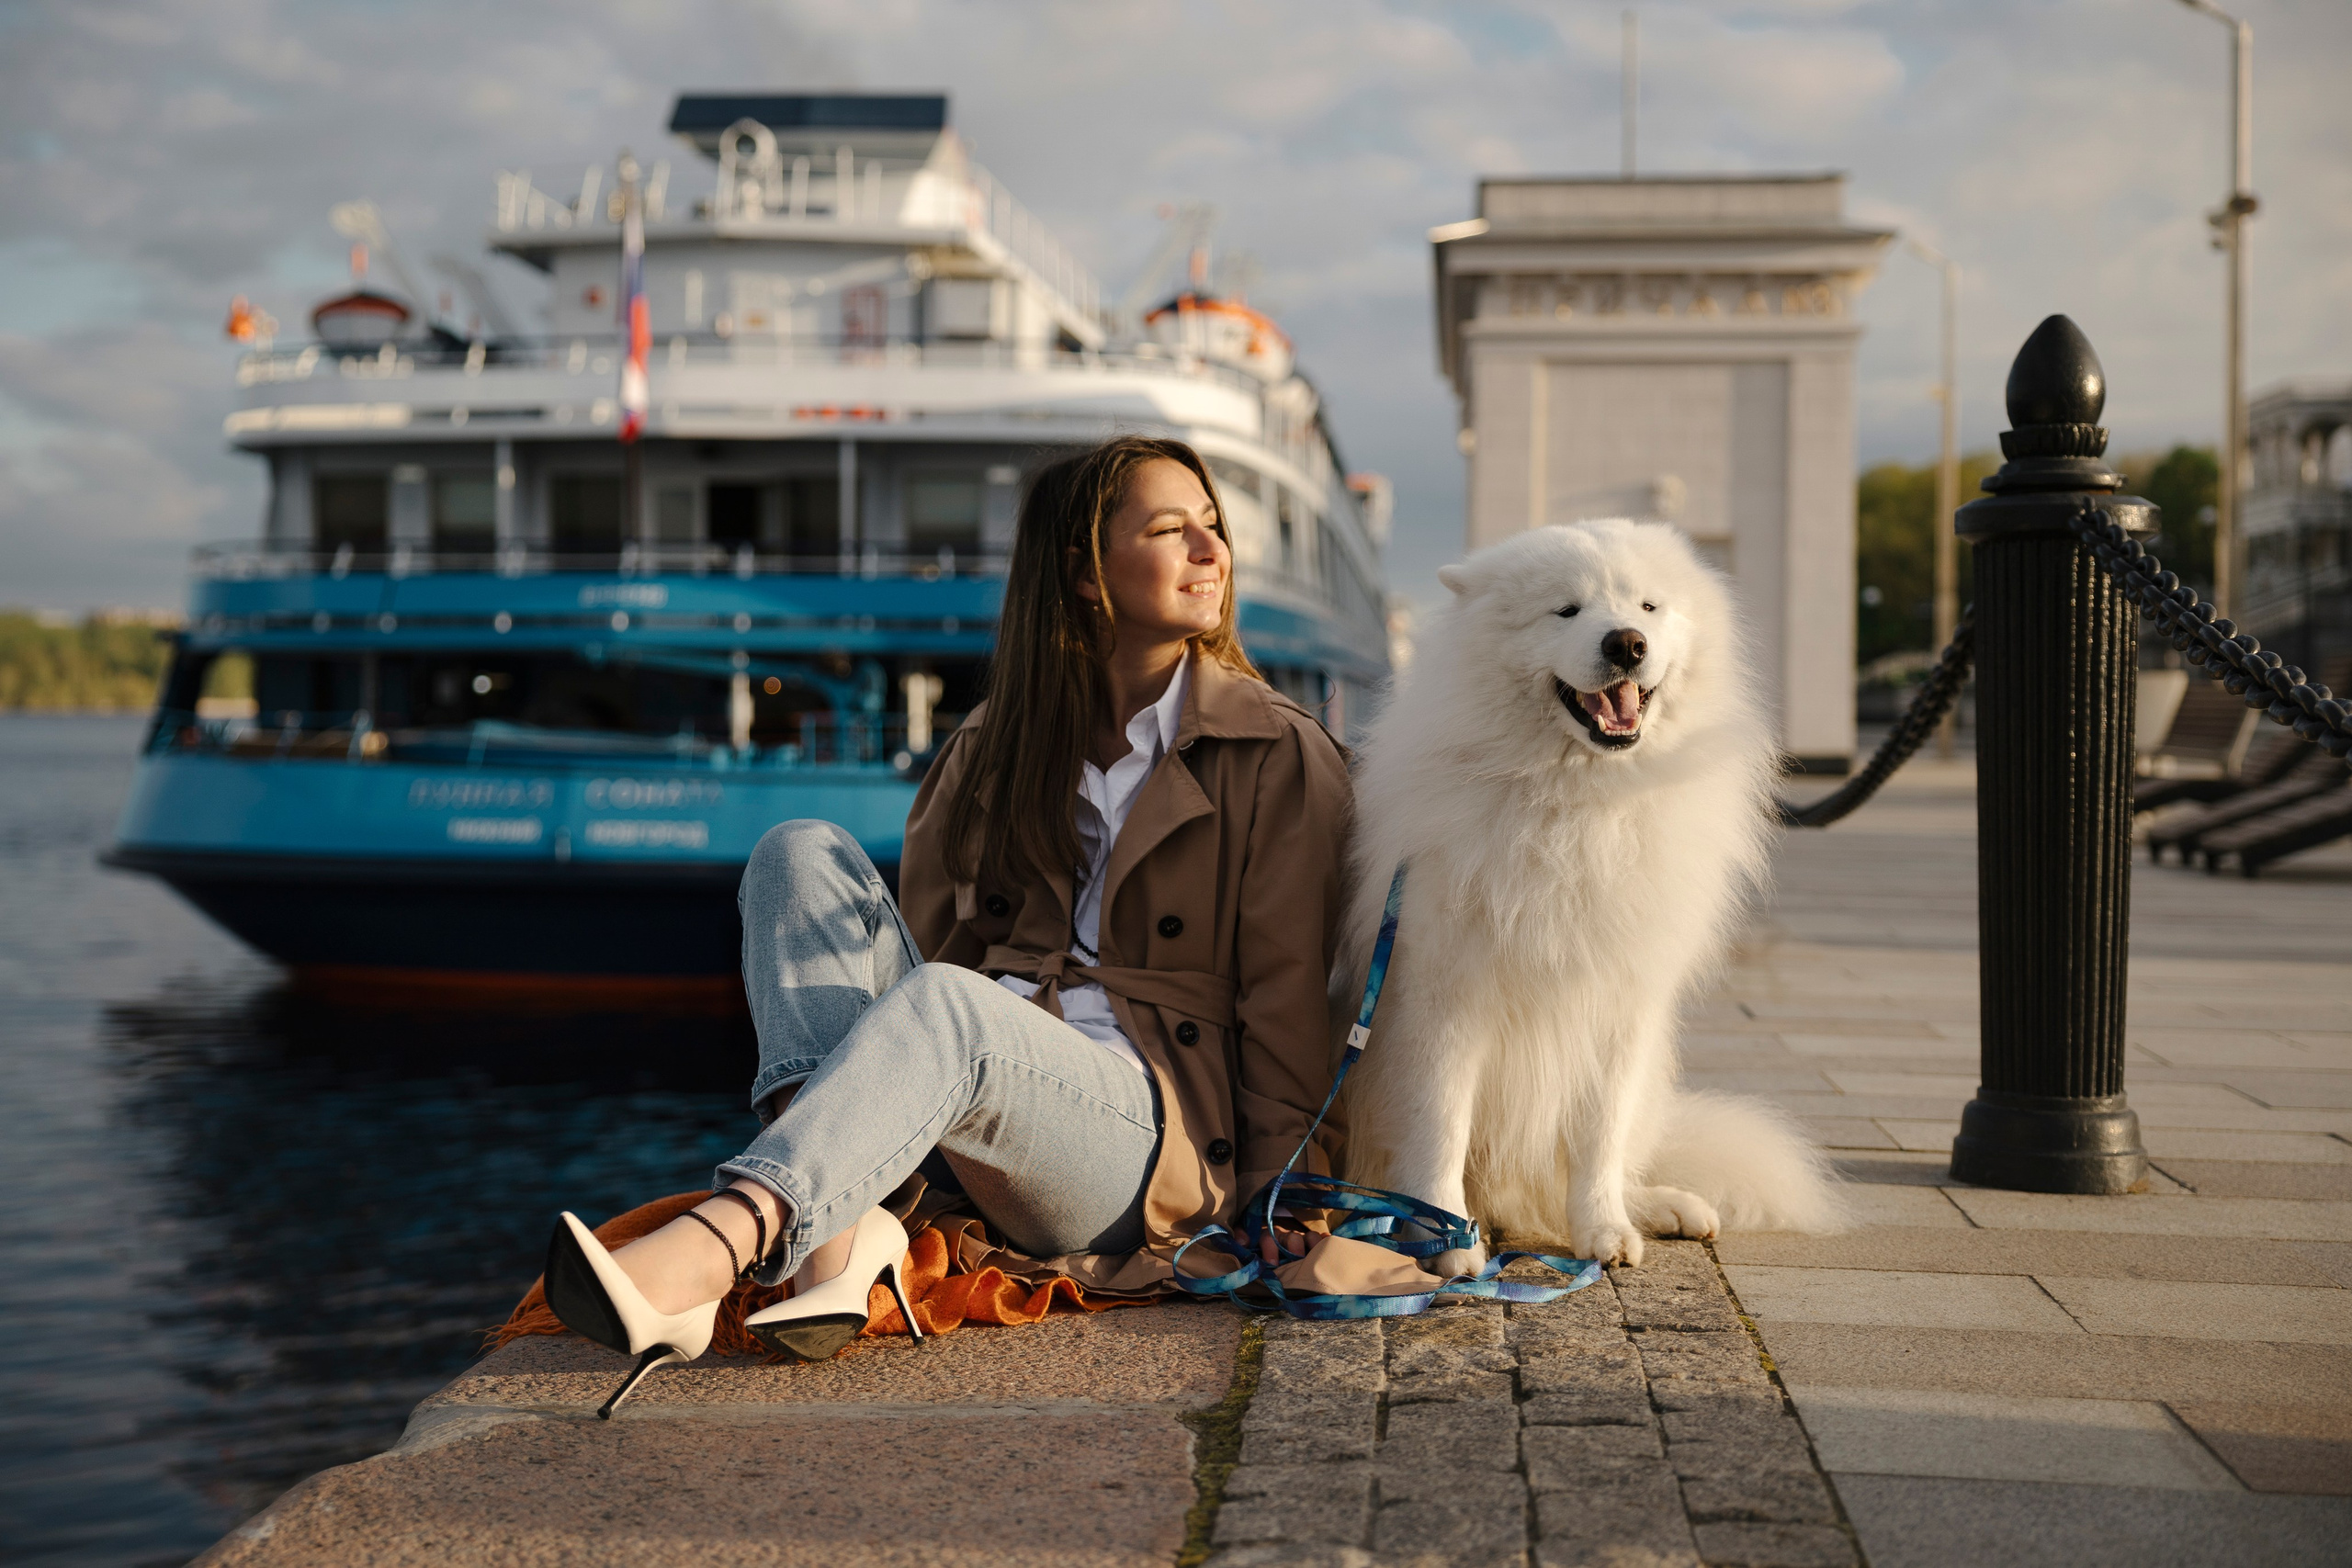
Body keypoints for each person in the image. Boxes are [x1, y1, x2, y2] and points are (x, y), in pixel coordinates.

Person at [541, 434, 1355, 1416]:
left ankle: (719, 1245)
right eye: (1170, 530)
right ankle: (839, 1246)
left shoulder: (1273, 751)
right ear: (1084, 572)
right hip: (973, 1107)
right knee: (795, 852)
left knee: (953, 1006)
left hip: (1148, 1142)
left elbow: (1289, 994)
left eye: (1212, 526)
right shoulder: (990, 749)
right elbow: (926, 960)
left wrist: (1286, 1194)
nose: (1211, 551)